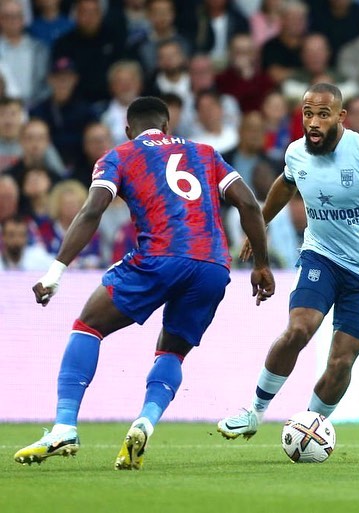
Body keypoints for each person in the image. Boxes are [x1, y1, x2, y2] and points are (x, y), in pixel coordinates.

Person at [13, 96, 275, 470]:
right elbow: (248, 204)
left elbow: (92, 209)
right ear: (167, 126)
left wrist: (56, 271)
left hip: (160, 257)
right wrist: (261, 263)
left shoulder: (120, 156)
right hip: (213, 265)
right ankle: (145, 422)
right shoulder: (204, 153)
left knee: (88, 325)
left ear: (128, 130)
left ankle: (64, 427)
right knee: (172, 351)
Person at [216, 83, 359, 440]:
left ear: (340, 117)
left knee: (341, 361)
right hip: (322, 257)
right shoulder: (296, 153)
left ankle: (310, 427)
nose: (314, 122)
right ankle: (254, 412)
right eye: (308, 114)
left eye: (323, 114)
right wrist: (262, 223)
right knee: (298, 330)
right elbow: (286, 183)